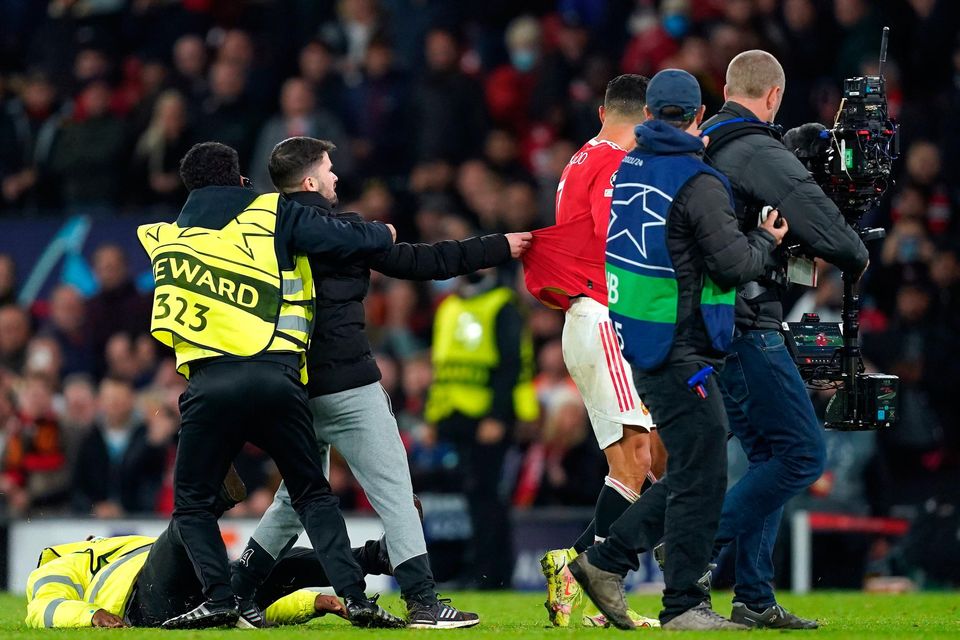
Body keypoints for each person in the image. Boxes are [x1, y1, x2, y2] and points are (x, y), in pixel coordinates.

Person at [231, 136, 530, 628]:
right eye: (328, 170)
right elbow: (426, 261)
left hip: (288, 388)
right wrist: (499, 246)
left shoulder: (260, 237)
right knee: (393, 489)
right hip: (348, 385)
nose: (335, 177)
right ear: (309, 180)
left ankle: (237, 593)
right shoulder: (348, 234)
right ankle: (423, 602)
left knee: (294, 498)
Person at [136, 141, 402, 629]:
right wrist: (378, 234)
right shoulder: (270, 213)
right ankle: (356, 598)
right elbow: (337, 237)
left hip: (210, 384)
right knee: (312, 494)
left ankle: (219, 598)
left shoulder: (165, 236)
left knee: (193, 505)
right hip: (277, 378)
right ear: (238, 179)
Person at [568, 69, 787, 630]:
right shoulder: (698, 180)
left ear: (649, 116)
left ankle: (609, 563)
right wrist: (767, 237)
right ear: (697, 116)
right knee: (703, 469)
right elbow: (735, 265)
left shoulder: (632, 167)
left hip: (641, 339)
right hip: (681, 346)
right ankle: (674, 600)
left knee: (695, 465)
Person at [697, 50, 869, 629]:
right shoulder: (755, 149)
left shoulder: (707, 140)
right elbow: (826, 229)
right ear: (773, 96)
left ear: (726, 90)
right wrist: (857, 251)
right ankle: (694, 548)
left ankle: (753, 595)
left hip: (718, 321)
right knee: (802, 453)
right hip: (747, 324)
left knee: (769, 455)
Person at [523, 74, 662, 628]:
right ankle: (592, 570)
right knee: (637, 461)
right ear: (648, 117)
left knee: (643, 460)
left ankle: (577, 564)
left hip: (590, 318)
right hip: (603, 315)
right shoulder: (612, 162)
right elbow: (619, 238)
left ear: (603, 109)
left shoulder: (582, 157)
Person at [25, 470, 394, 629]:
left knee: (259, 569)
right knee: (182, 528)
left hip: (204, 591)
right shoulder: (62, 560)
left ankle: (374, 556)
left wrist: (311, 602)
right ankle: (209, 500)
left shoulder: (128, 546)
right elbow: (44, 608)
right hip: (142, 603)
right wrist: (91, 616)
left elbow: (253, 610)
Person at [426, 265, 539, 591]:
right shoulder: (448, 306)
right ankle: (453, 569)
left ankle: (492, 574)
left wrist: (498, 417)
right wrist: (432, 418)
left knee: (486, 497)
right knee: (450, 497)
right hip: (449, 415)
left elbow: (512, 365)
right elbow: (441, 364)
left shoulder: (503, 304)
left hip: (486, 416)